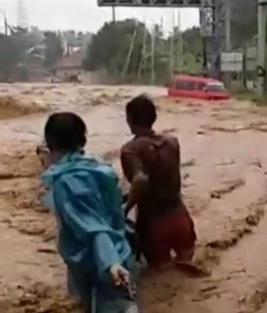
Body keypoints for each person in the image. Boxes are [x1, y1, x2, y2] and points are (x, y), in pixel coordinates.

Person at [40, 112, 138, 313]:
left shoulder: (67, 182)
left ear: (51, 143)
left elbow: (94, 228)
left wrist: (110, 263)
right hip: (120, 251)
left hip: (98, 265)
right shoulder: (99, 169)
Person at [121, 95, 196, 267]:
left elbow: (140, 180)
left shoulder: (130, 150)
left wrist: (125, 209)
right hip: (180, 218)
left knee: (160, 276)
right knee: (185, 268)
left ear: (130, 119)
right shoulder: (172, 142)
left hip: (154, 224)